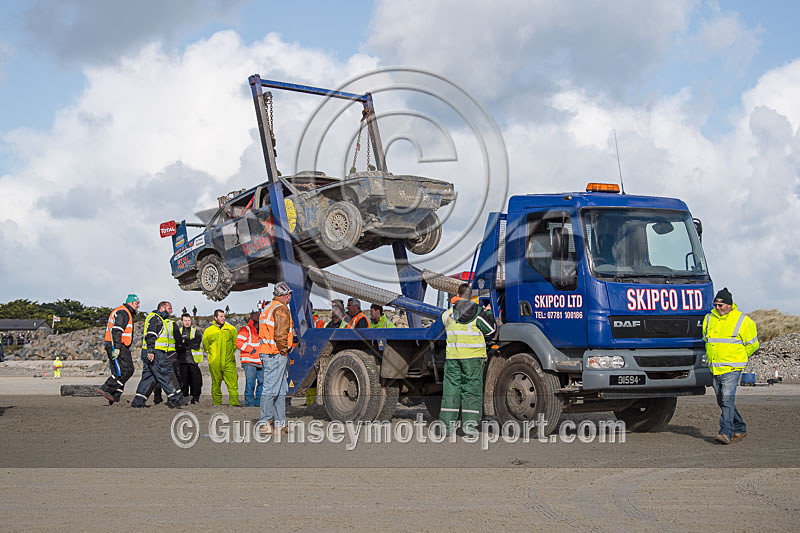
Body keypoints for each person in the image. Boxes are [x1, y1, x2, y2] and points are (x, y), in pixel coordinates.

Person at [703, 287, 759, 444]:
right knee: (722, 401)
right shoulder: (709, 319)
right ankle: (740, 428)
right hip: (715, 368)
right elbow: (707, 341)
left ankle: (725, 432)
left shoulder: (743, 321)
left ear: (729, 305)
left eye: (720, 305)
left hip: (732, 369)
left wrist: (739, 357)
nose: (717, 308)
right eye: (715, 305)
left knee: (727, 401)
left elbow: (753, 345)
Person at [440, 299, 496, 433]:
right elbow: (490, 330)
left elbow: (446, 327)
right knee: (471, 390)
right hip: (472, 358)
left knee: (450, 390)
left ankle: (447, 427)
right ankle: (469, 427)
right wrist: (488, 313)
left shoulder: (447, 314)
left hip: (452, 357)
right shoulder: (478, 314)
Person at [131, 301, 188, 408]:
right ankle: (175, 399)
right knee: (165, 374)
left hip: (149, 351)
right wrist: (151, 351)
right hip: (156, 352)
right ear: (162, 308)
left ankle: (138, 401)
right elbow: (151, 335)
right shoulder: (157, 318)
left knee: (149, 377)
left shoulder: (156, 318)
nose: (171, 311)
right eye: (169, 308)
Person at [258, 282, 295, 435]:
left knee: (279, 390)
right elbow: (280, 335)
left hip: (270, 353)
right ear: (286, 295)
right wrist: (284, 350)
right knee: (271, 389)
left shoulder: (268, 307)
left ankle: (280, 423)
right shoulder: (281, 309)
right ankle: (265, 423)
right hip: (275, 354)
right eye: (289, 294)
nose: (290, 297)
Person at [97, 294, 140, 404]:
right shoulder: (123, 312)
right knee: (128, 370)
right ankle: (107, 388)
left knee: (118, 371)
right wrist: (117, 348)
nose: (138, 306)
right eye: (137, 303)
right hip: (118, 344)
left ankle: (114, 396)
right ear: (131, 303)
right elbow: (116, 330)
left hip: (113, 344)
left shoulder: (121, 311)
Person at [203, 309, 240, 406]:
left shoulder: (231, 329)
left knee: (233, 384)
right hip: (215, 362)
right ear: (215, 318)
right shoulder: (208, 331)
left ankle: (234, 403)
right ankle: (216, 403)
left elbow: (235, 343)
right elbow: (205, 345)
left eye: (224, 316)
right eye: (221, 316)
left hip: (229, 361)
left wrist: (230, 353)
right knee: (215, 384)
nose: (223, 318)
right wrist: (212, 354)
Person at [150, 312, 184, 405]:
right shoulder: (171, 323)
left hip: (158, 352)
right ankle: (174, 397)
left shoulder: (153, 321)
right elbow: (178, 339)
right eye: (169, 309)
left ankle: (157, 398)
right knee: (172, 376)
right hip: (170, 353)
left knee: (157, 376)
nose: (171, 311)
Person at [237, 310, 264, 407]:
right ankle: (249, 404)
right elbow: (239, 342)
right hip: (249, 361)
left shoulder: (263, 330)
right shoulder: (245, 329)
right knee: (250, 384)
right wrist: (251, 350)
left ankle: (258, 403)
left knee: (262, 383)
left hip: (261, 361)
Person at [176, 313, 204, 404]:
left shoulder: (196, 332)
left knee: (196, 381)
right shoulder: (178, 332)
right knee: (183, 381)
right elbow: (177, 345)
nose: (187, 322)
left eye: (188, 320)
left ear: (191, 321)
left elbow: (196, 344)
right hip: (182, 360)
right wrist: (187, 344)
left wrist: (185, 343)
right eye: (185, 321)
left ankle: (195, 398)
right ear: (182, 321)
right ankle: (184, 398)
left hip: (193, 360)